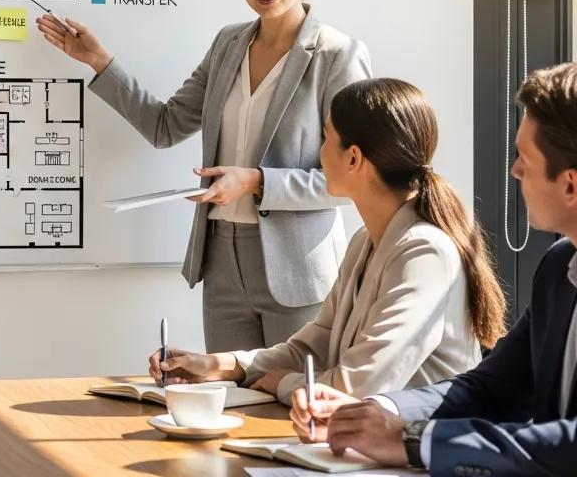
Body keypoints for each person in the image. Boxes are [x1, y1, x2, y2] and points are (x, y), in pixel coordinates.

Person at [37, 0, 370, 353]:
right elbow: (165, 125)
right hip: (221, 261)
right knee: (230, 405)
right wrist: (99, 62)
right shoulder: (228, 44)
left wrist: (254, 182)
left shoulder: (337, 55)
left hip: (299, 269)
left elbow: (354, 180)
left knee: (295, 409)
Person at [290, 63, 577, 477]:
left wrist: (414, 441)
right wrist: (379, 411)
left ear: (570, 185)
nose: (514, 170)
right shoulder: (558, 269)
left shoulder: (424, 247)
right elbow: (490, 387)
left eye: (525, 159)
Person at [149, 78, 505, 404]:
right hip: (364, 444)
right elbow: (314, 345)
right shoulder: (365, 241)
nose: (319, 152)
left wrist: (283, 384)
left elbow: (359, 385)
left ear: (353, 158)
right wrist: (218, 365)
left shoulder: (424, 253)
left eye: (326, 138)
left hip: (412, 456)